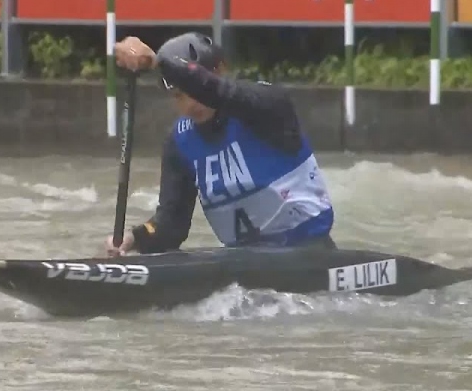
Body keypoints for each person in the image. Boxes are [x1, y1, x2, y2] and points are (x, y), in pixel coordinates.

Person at [104, 33, 337, 257]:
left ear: (221, 70)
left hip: (309, 252)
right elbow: (171, 225)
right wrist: (134, 239)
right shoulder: (179, 143)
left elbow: (215, 90)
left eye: (193, 91)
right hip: (243, 264)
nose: (190, 103)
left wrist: (157, 63)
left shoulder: (267, 106)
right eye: (178, 95)